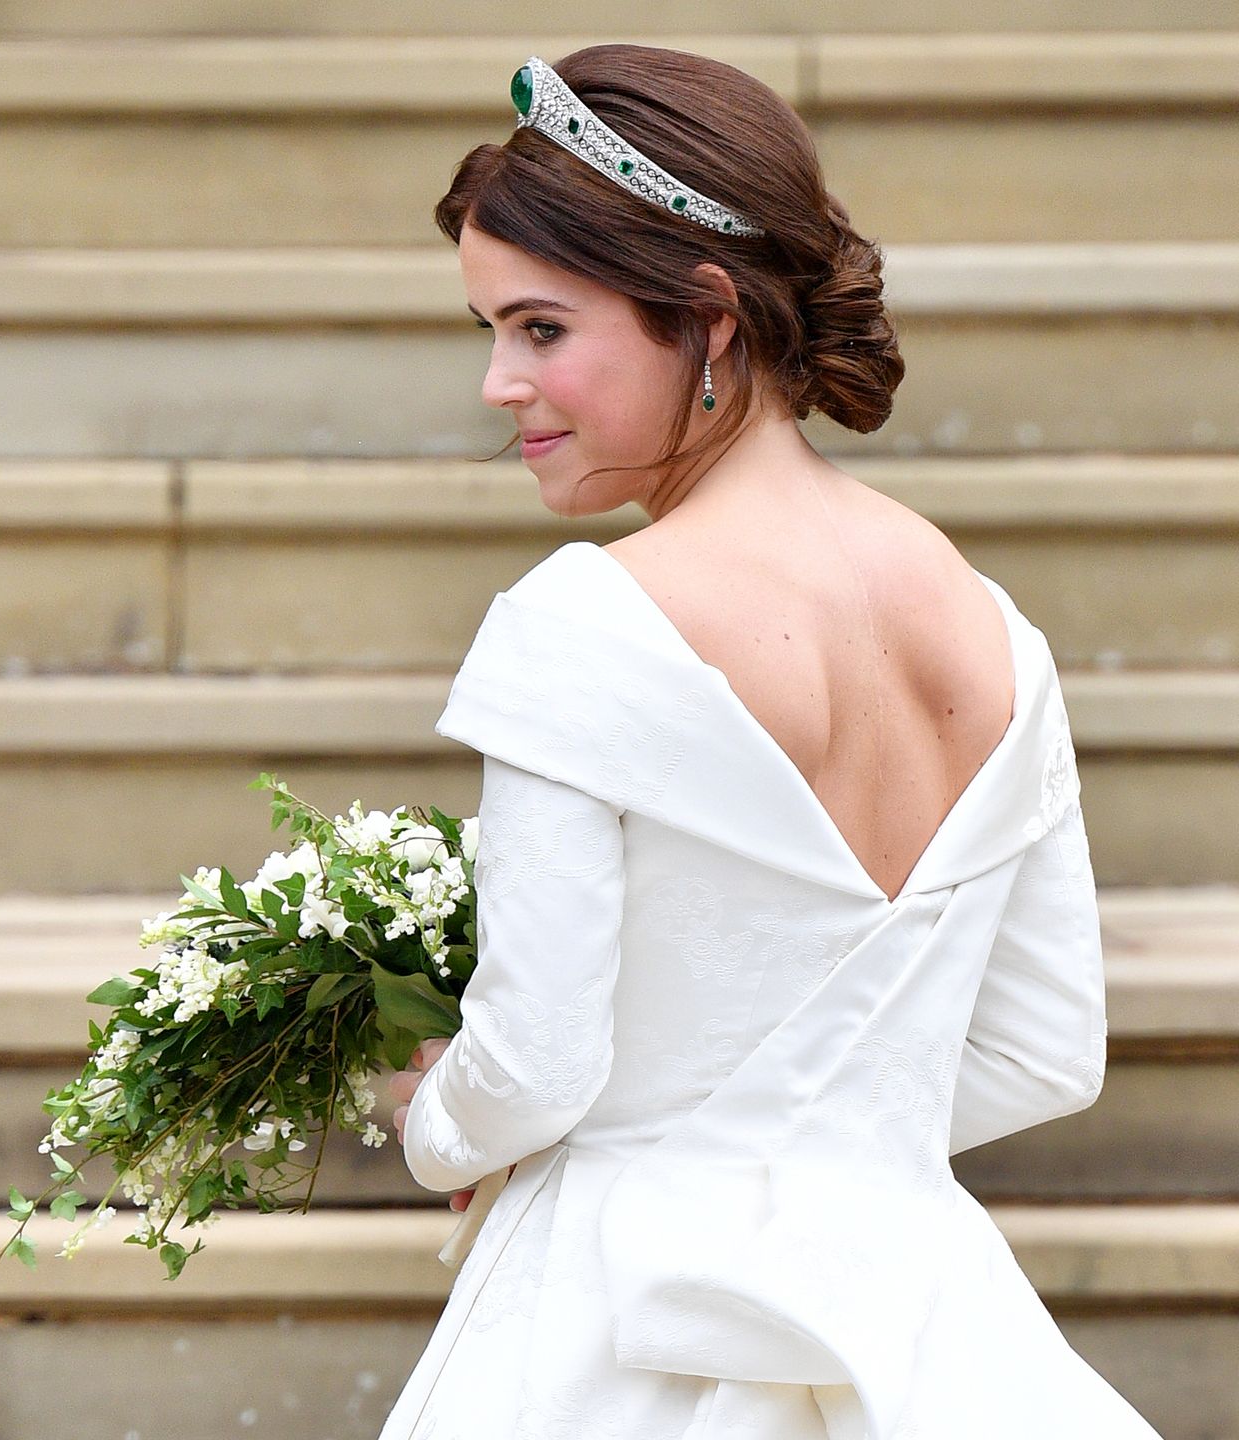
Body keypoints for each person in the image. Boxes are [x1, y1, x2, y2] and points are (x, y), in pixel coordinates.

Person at [373, 45, 1165, 1440]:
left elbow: (538, 1065)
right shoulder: (997, 635)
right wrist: (822, 1155)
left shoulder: (586, 622)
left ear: (714, 319)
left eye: (542, 329)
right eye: (490, 331)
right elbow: (1048, 1050)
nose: (501, 383)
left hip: (619, 1326)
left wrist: (429, 1120)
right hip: (918, 1322)